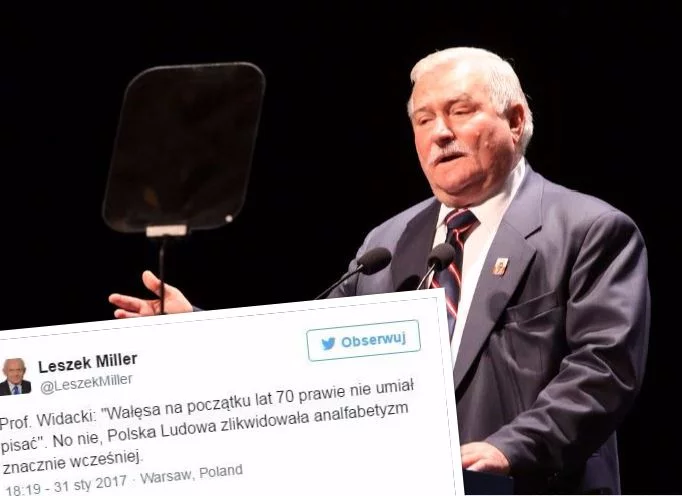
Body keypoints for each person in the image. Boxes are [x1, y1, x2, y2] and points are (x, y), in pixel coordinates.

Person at [108, 46, 650, 494]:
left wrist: (510, 449)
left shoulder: (588, 230)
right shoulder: (389, 243)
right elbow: (309, 350)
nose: (440, 133)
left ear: (516, 120)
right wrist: (198, 331)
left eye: (460, 111)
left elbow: (603, 371)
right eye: (423, 119)